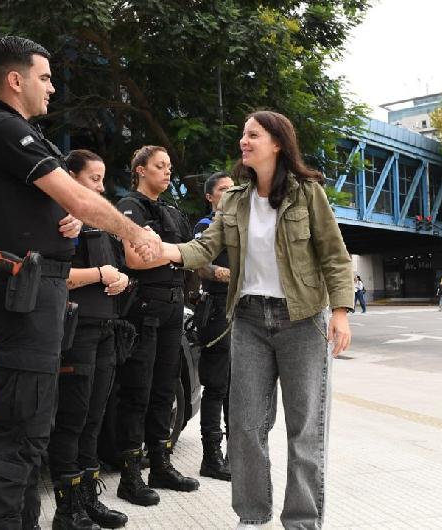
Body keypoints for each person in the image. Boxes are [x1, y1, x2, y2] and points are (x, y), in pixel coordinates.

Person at [0, 36, 160, 530]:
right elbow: (78, 196)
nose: (51, 88)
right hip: (25, 295)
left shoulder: (19, 133)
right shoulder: (3, 128)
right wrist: (134, 232)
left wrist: (60, 221)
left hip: (40, 295)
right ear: (15, 80)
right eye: (45, 77)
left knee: (33, 428)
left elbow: (48, 205)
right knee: (20, 429)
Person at [158, 110, 353, 529]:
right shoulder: (233, 200)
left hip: (303, 321)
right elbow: (202, 248)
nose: (244, 141)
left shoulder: (308, 194)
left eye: (253, 135)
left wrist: (340, 312)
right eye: (243, 135)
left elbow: (335, 256)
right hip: (248, 320)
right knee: (246, 426)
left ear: (277, 143)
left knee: (305, 429)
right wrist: (163, 251)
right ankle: (252, 517)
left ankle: (302, 521)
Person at [46, 150, 130, 529]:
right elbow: (54, 277)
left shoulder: (99, 224)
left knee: (95, 418)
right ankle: (67, 509)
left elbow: (119, 269)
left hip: (106, 330)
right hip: (76, 332)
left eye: (102, 179)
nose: (101, 186)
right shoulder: (59, 219)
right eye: (94, 179)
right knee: (73, 419)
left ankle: (88, 500)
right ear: (70, 177)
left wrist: (121, 278)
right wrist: (99, 273)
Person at [113, 145, 200, 507]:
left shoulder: (172, 211)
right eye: (159, 166)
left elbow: (191, 255)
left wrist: (163, 251)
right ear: (140, 170)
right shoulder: (129, 207)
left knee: (165, 389)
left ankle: (161, 465)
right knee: (138, 391)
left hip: (173, 308)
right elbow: (135, 258)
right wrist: (174, 254)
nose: (167, 171)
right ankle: (130, 476)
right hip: (143, 308)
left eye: (169, 166)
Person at [192, 171, 235, 482]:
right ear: (210, 197)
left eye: (233, 188)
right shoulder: (205, 226)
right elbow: (200, 265)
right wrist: (234, 275)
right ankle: (211, 457)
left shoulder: (241, 225)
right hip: (217, 311)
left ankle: (237, 454)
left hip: (242, 311)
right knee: (217, 386)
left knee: (238, 388)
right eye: (223, 189)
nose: (230, 193)